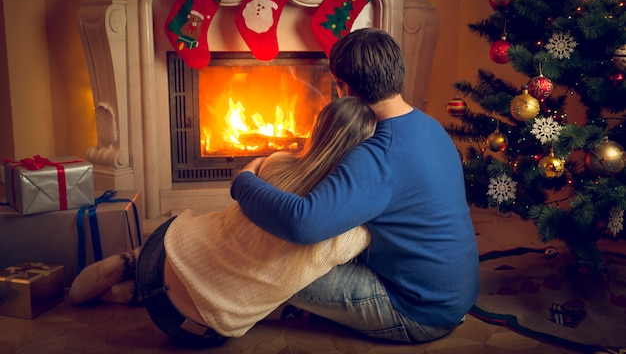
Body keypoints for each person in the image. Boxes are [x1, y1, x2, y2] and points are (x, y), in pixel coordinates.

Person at [230, 27, 479, 344]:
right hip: (455, 295)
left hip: (417, 311)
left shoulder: (377, 154)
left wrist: (243, 182)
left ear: (343, 86)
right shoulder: (428, 125)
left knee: (268, 264)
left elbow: (301, 223)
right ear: (396, 73)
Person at [68, 96, 377, 347]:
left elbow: (251, 171)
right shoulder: (347, 233)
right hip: (191, 328)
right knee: (266, 301)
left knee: (200, 233)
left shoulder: (277, 163)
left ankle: (131, 262)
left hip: (164, 257)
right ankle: (129, 295)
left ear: (318, 130)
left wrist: (252, 169)